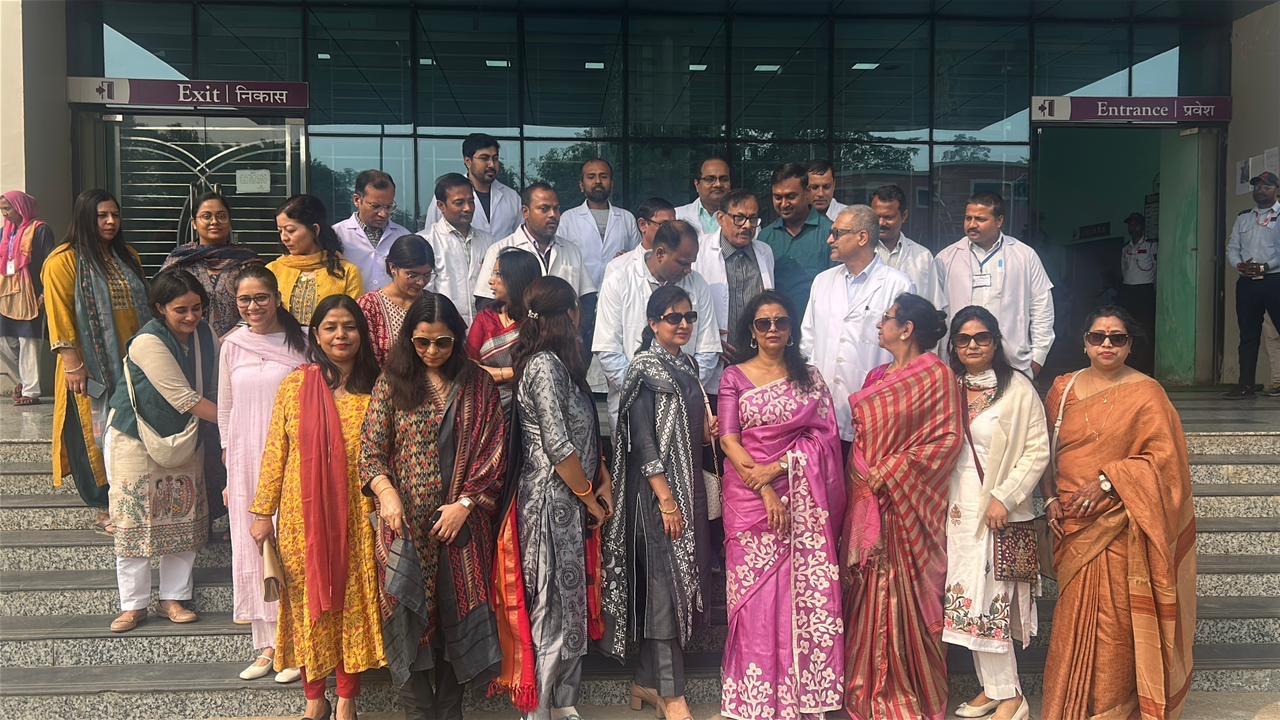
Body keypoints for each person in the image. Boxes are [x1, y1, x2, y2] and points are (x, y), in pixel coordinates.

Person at [1041, 306, 1196, 719]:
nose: (1107, 344)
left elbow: (1167, 463)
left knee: (1115, 625)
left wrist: (1110, 482)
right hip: (1072, 522)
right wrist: (1050, 498)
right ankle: (1069, 705)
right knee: (1072, 619)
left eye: (1117, 338)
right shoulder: (1062, 389)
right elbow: (1045, 454)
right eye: (1098, 337)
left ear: (1130, 346)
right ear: (1084, 343)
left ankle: (1113, 709)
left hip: (1121, 523)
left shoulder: (1148, 393)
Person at [362, 293, 506, 719]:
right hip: (404, 526)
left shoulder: (477, 384)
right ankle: (418, 713)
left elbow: (493, 451)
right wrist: (386, 493)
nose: (431, 352)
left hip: (462, 527)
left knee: (454, 616)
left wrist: (465, 503)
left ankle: (450, 711)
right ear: (409, 339)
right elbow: (371, 450)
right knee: (410, 615)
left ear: (457, 339)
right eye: (422, 342)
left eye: (442, 342)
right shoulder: (392, 381)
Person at [249, 294, 387, 720]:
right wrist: (261, 512)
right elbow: (277, 450)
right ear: (317, 335)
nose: (340, 335)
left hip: (357, 516)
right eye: (330, 327)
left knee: (351, 602)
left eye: (349, 327)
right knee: (309, 602)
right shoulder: (296, 384)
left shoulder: (380, 387)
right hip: (300, 516)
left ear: (362, 334)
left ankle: (347, 696)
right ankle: (314, 697)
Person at [716, 289, 845, 720]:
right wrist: (764, 485)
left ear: (791, 329)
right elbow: (729, 438)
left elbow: (825, 438)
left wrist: (781, 469)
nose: (773, 329)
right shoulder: (734, 376)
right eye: (763, 323)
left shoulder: (810, 377)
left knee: (796, 596)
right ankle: (755, 700)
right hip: (749, 499)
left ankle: (800, 698)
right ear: (751, 331)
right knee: (753, 601)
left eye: (780, 322)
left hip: (801, 498)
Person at [491, 276, 611, 720]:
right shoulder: (543, 365)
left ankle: (561, 700)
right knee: (552, 606)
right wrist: (589, 497)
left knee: (571, 600)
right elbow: (558, 445)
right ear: (567, 315)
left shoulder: (564, 366)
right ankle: (539, 707)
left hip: (571, 500)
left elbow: (582, 437)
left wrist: (602, 482)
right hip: (548, 501)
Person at [842, 292, 962, 720]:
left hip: (908, 508)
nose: (880, 326)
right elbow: (861, 439)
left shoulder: (938, 377)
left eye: (886, 319)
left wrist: (891, 471)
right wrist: (862, 473)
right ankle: (865, 686)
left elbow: (947, 439)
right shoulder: (876, 376)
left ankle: (906, 689)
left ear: (906, 329)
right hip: (868, 504)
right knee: (866, 591)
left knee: (905, 594)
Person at [602, 285, 714, 720]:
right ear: (652, 323)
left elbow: (687, 430)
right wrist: (666, 500)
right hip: (655, 495)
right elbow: (643, 442)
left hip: (685, 490)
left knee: (665, 589)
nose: (683, 324)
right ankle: (671, 693)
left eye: (689, 317)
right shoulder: (645, 370)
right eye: (673, 318)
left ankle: (645, 683)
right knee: (664, 588)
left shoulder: (685, 365)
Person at [942, 306, 1050, 720]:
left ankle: (1013, 698)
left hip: (1000, 511)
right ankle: (992, 689)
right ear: (953, 345)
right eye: (964, 338)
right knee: (968, 602)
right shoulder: (949, 386)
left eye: (982, 337)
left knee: (994, 603)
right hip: (956, 512)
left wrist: (1005, 497)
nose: (973, 345)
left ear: (996, 342)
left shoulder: (1018, 389)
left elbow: (1037, 450)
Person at [103, 269, 215, 634]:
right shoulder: (146, 342)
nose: (191, 317)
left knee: (182, 514)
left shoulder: (206, 335)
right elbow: (184, 398)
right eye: (180, 309)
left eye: (197, 308)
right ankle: (132, 605)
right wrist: (240, 422)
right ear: (160, 308)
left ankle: (174, 598)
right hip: (134, 438)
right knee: (134, 518)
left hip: (184, 436)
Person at [217, 263, 308, 683]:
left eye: (260, 298)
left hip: (291, 459)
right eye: (244, 300)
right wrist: (228, 469)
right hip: (244, 457)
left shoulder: (302, 343)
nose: (253, 307)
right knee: (252, 548)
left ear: (277, 298)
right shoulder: (232, 344)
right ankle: (266, 645)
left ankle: (296, 645)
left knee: (291, 547)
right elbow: (225, 409)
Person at [43, 189, 148, 526]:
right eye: (102, 216)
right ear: (85, 218)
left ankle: (132, 495)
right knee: (96, 433)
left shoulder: (127, 256)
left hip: (132, 362)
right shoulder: (63, 261)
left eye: (115, 215)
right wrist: (73, 365)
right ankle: (104, 505)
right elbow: (59, 317)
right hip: (88, 368)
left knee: (131, 430)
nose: (111, 221)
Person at [800, 205, 914, 451]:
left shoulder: (897, 285)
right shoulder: (823, 281)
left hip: (874, 411)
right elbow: (807, 341)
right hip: (821, 409)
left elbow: (906, 353)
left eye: (837, 233)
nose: (830, 240)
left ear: (862, 237)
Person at [594, 220, 720, 427]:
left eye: (691, 263)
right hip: (633, 404)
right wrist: (647, 392)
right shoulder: (618, 279)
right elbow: (608, 351)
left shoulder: (697, 283)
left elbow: (708, 351)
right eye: (683, 262)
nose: (689, 269)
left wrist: (681, 390)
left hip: (684, 405)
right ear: (660, 253)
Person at [936, 192, 1055, 377]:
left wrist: (1037, 358)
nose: (972, 225)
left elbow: (1042, 308)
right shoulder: (946, 258)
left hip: (1013, 362)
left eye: (980, 219)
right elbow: (936, 313)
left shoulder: (1024, 255)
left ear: (999, 221)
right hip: (959, 364)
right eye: (968, 218)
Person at [160, 191, 260, 336]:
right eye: (206, 216)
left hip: (239, 343)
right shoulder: (179, 260)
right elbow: (162, 302)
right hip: (187, 341)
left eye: (221, 216)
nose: (214, 221)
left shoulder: (246, 261)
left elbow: (259, 306)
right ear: (194, 223)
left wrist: (229, 340)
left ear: (229, 222)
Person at [475, 183, 595, 302]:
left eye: (556, 209)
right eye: (544, 209)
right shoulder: (499, 250)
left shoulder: (571, 250)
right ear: (525, 212)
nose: (553, 215)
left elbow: (587, 297)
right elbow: (485, 301)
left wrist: (577, 321)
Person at [693, 189, 775, 362]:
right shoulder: (699, 251)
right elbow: (689, 303)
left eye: (753, 219)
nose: (747, 226)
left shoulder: (765, 252)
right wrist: (711, 341)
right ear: (721, 218)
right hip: (713, 354)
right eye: (739, 218)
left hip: (756, 355)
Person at [1224, 170, 1280, 399]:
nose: (1260, 190)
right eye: (1257, 186)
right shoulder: (1243, 217)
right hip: (1247, 282)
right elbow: (1232, 247)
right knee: (1248, 335)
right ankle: (1245, 384)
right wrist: (1239, 265)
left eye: (1266, 187)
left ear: (1277, 190)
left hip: (1274, 280)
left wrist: (1266, 266)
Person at [268, 194, 364, 324]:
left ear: (315, 229)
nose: (284, 238)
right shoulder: (273, 270)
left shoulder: (346, 272)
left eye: (290, 230)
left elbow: (353, 322)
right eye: (280, 231)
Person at [758, 162, 835, 321]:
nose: (784, 204)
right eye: (778, 197)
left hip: (818, 328)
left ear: (808, 193)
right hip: (775, 331)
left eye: (791, 196)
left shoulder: (830, 233)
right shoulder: (764, 238)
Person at [0, 190, 55, 405]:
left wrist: (44, 293)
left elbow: (49, 264)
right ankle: (23, 380)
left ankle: (30, 392)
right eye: (2, 209)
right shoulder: (4, 232)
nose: (4, 213)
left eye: (8, 208)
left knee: (28, 340)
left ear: (21, 207)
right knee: (4, 341)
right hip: (7, 294)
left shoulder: (40, 230)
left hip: (31, 294)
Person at [420, 172, 496, 325]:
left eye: (471, 201)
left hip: (484, 329)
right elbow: (424, 293)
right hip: (443, 328)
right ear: (441, 206)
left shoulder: (489, 241)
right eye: (459, 202)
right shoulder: (426, 241)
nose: (468, 208)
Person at [467, 248, 540, 406]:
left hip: (530, 404)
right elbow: (469, 366)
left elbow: (541, 371)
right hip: (488, 404)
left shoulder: (537, 319)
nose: (490, 281)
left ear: (517, 278)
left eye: (498, 274)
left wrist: (494, 374)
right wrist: (510, 373)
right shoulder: (486, 318)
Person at [555, 158, 642, 289]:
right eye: (591, 177)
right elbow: (560, 260)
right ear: (581, 185)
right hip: (580, 294)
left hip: (618, 291)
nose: (598, 181)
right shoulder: (568, 219)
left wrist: (627, 258)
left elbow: (638, 258)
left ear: (612, 184)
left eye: (603, 176)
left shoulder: (626, 218)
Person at [423, 133, 522, 240]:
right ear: (468, 161)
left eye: (495, 158)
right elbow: (431, 236)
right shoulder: (447, 194)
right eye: (484, 158)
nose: (492, 164)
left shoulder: (512, 197)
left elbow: (520, 238)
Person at [357, 235, 435, 366]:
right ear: (393, 267)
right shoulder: (369, 306)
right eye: (412, 275)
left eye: (427, 275)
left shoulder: (434, 304)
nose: (421, 282)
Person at [333, 170, 413, 293]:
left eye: (389, 206)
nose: (383, 214)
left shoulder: (404, 237)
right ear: (357, 200)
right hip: (351, 309)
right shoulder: (337, 235)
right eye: (375, 206)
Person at [870, 184, 941, 308]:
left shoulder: (923, 257)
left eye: (888, 217)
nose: (881, 223)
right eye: (876, 217)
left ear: (904, 216)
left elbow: (935, 305)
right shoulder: (859, 252)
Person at [1116, 212, 1157, 375]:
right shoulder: (1126, 248)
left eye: (1136, 224)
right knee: (1129, 329)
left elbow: (1157, 268)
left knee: (1146, 328)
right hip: (1129, 291)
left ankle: (1147, 366)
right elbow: (1124, 269)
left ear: (1142, 226)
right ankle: (1131, 364)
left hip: (1145, 290)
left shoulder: (1151, 246)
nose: (1133, 228)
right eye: (1130, 225)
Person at [609, 197, 677, 277]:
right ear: (643, 225)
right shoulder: (618, 266)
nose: (670, 230)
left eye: (674, 225)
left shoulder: (684, 264)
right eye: (663, 225)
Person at [675, 157, 732, 236]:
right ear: (697, 184)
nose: (718, 184)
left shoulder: (746, 221)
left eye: (724, 179)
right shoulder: (677, 216)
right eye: (710, 179)